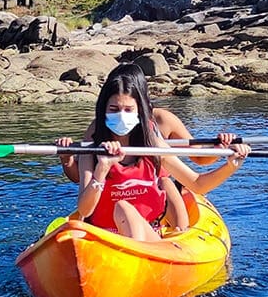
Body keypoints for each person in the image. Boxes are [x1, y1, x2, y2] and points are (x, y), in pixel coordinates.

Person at [65, 64, 250, 242]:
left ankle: (144, 254)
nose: (121, 115)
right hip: (104, 237)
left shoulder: (153, 144)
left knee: (126, 207)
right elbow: (85, 211)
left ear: (139, 111)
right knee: (122, 209)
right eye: (114, 110)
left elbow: (198, 184)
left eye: (128, 110)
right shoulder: (93, 144)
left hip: (147, 236)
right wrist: (102, 169)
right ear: (103, 111)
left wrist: (230, 166)